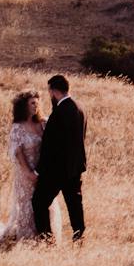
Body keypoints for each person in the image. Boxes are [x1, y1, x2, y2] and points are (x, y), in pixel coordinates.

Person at [0, 91, 44, 245]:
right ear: (24, 106)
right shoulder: (18, 127)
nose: (36, 106)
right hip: (25, 173)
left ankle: (44, 236)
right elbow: (18, 152)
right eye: (32, 103)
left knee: (44, 203)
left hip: (42, 170)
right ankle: (27, 238)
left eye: (37, 102)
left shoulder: (43, 123)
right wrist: (29, 173)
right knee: (26, 205)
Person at [31, 73, 86, 242]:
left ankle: (47, 240)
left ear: (53, 91)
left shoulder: (59, 112)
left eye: (50, 92)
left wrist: (39, 170)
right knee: (74, 204)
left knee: (38, 202)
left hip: (56, 170)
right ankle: (79, 237)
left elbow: (50, 146)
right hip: (75, 167)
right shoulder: (79, 108)